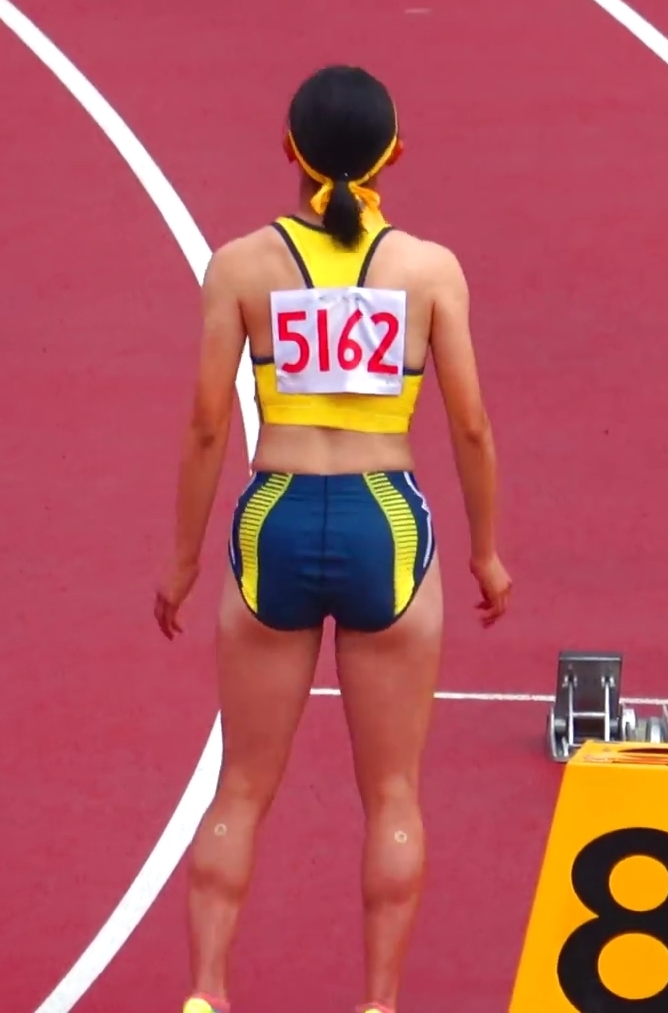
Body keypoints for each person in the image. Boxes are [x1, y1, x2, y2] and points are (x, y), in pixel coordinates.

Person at [153, 64, 512, 1013]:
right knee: (392, 792)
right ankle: (378, 1004)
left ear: (289, 152)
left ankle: (205, 993)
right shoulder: (429, 271)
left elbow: (203, 426)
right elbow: (471, 425)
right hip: (381, 521)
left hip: (273, 516)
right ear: (394, 153)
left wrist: (184, 561)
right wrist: (485, 552)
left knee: (239, 788)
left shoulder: (241, 266)